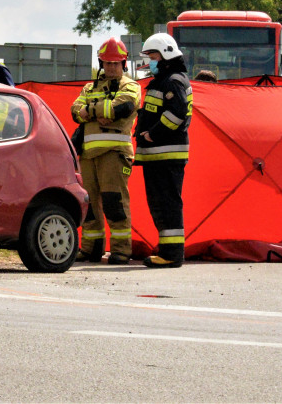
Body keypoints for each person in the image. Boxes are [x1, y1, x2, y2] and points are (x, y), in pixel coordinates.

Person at [71, 37, 140, 264]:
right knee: (89, 204)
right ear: (101, 63)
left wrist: (89, 110)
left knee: (114, 202)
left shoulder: (130, 86)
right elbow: (74, 110)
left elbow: (122, 108)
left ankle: (121, 250)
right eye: (107, 63)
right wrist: (98, 111)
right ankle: (91, 249)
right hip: (88, 155)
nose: (111, 67)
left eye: (115, 63)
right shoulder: (90, 87)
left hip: (114, 153)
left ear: (124, 64)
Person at [134, 33, 193, 268]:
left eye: (153, 56)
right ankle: (167, 250)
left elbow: (177, 114)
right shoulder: (164, 80)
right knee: (160, 204)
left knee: (167, 204)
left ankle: (172, 254)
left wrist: (152, 134)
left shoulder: (173, 81)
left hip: (166, 154)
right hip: (157, 156)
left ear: (166, 55)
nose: (150, 61)